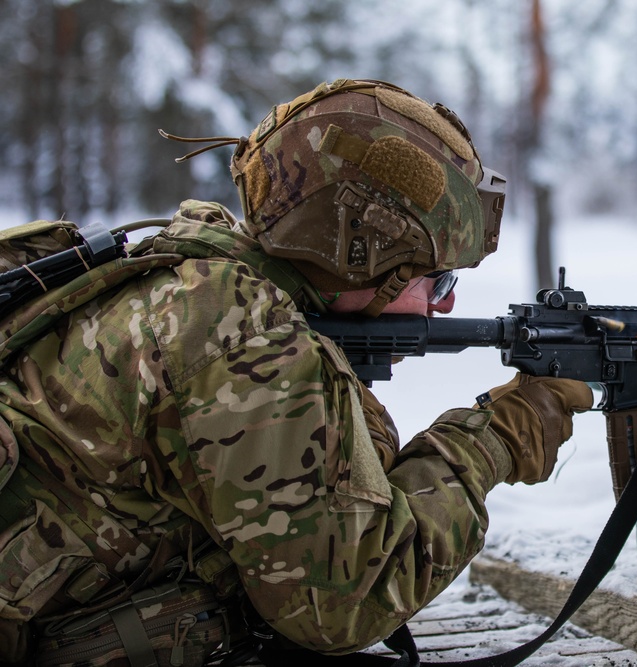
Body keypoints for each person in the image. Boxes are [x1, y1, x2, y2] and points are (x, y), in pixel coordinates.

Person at [0, 78, 593, 663]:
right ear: (366, 257)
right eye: (434, 279)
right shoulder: (241, 337)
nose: (446, 305)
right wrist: (492, 443)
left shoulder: (197, 275)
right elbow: (344, 603)